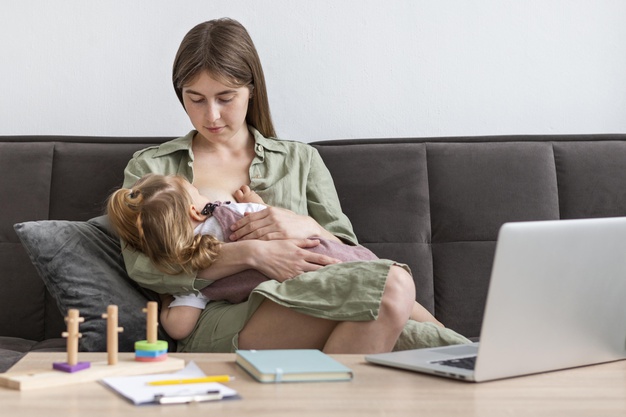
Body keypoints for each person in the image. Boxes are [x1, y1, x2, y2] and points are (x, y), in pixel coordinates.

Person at [120, 17, 470, 353]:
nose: (211, 115)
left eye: (225, 98)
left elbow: (346, 254)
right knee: (391, 290)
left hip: (313, 295)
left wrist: (306, 224)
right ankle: (461, 351)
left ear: (252, 90)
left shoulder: (300, 160)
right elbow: (142, 266)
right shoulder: (153, 167)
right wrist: (251, 253)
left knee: (393, 307)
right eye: (195, 98)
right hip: (219, 318)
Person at [107, 173, 387, 339]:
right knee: (385, 283)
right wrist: (257, 204)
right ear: (196, 210)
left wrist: (166, 295)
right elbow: (272, 224)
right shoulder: (229, 212)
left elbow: (179, 327)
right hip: (324, 257)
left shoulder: (195, 264)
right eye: (196, 192)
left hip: (296, 292)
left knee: (382, 291)